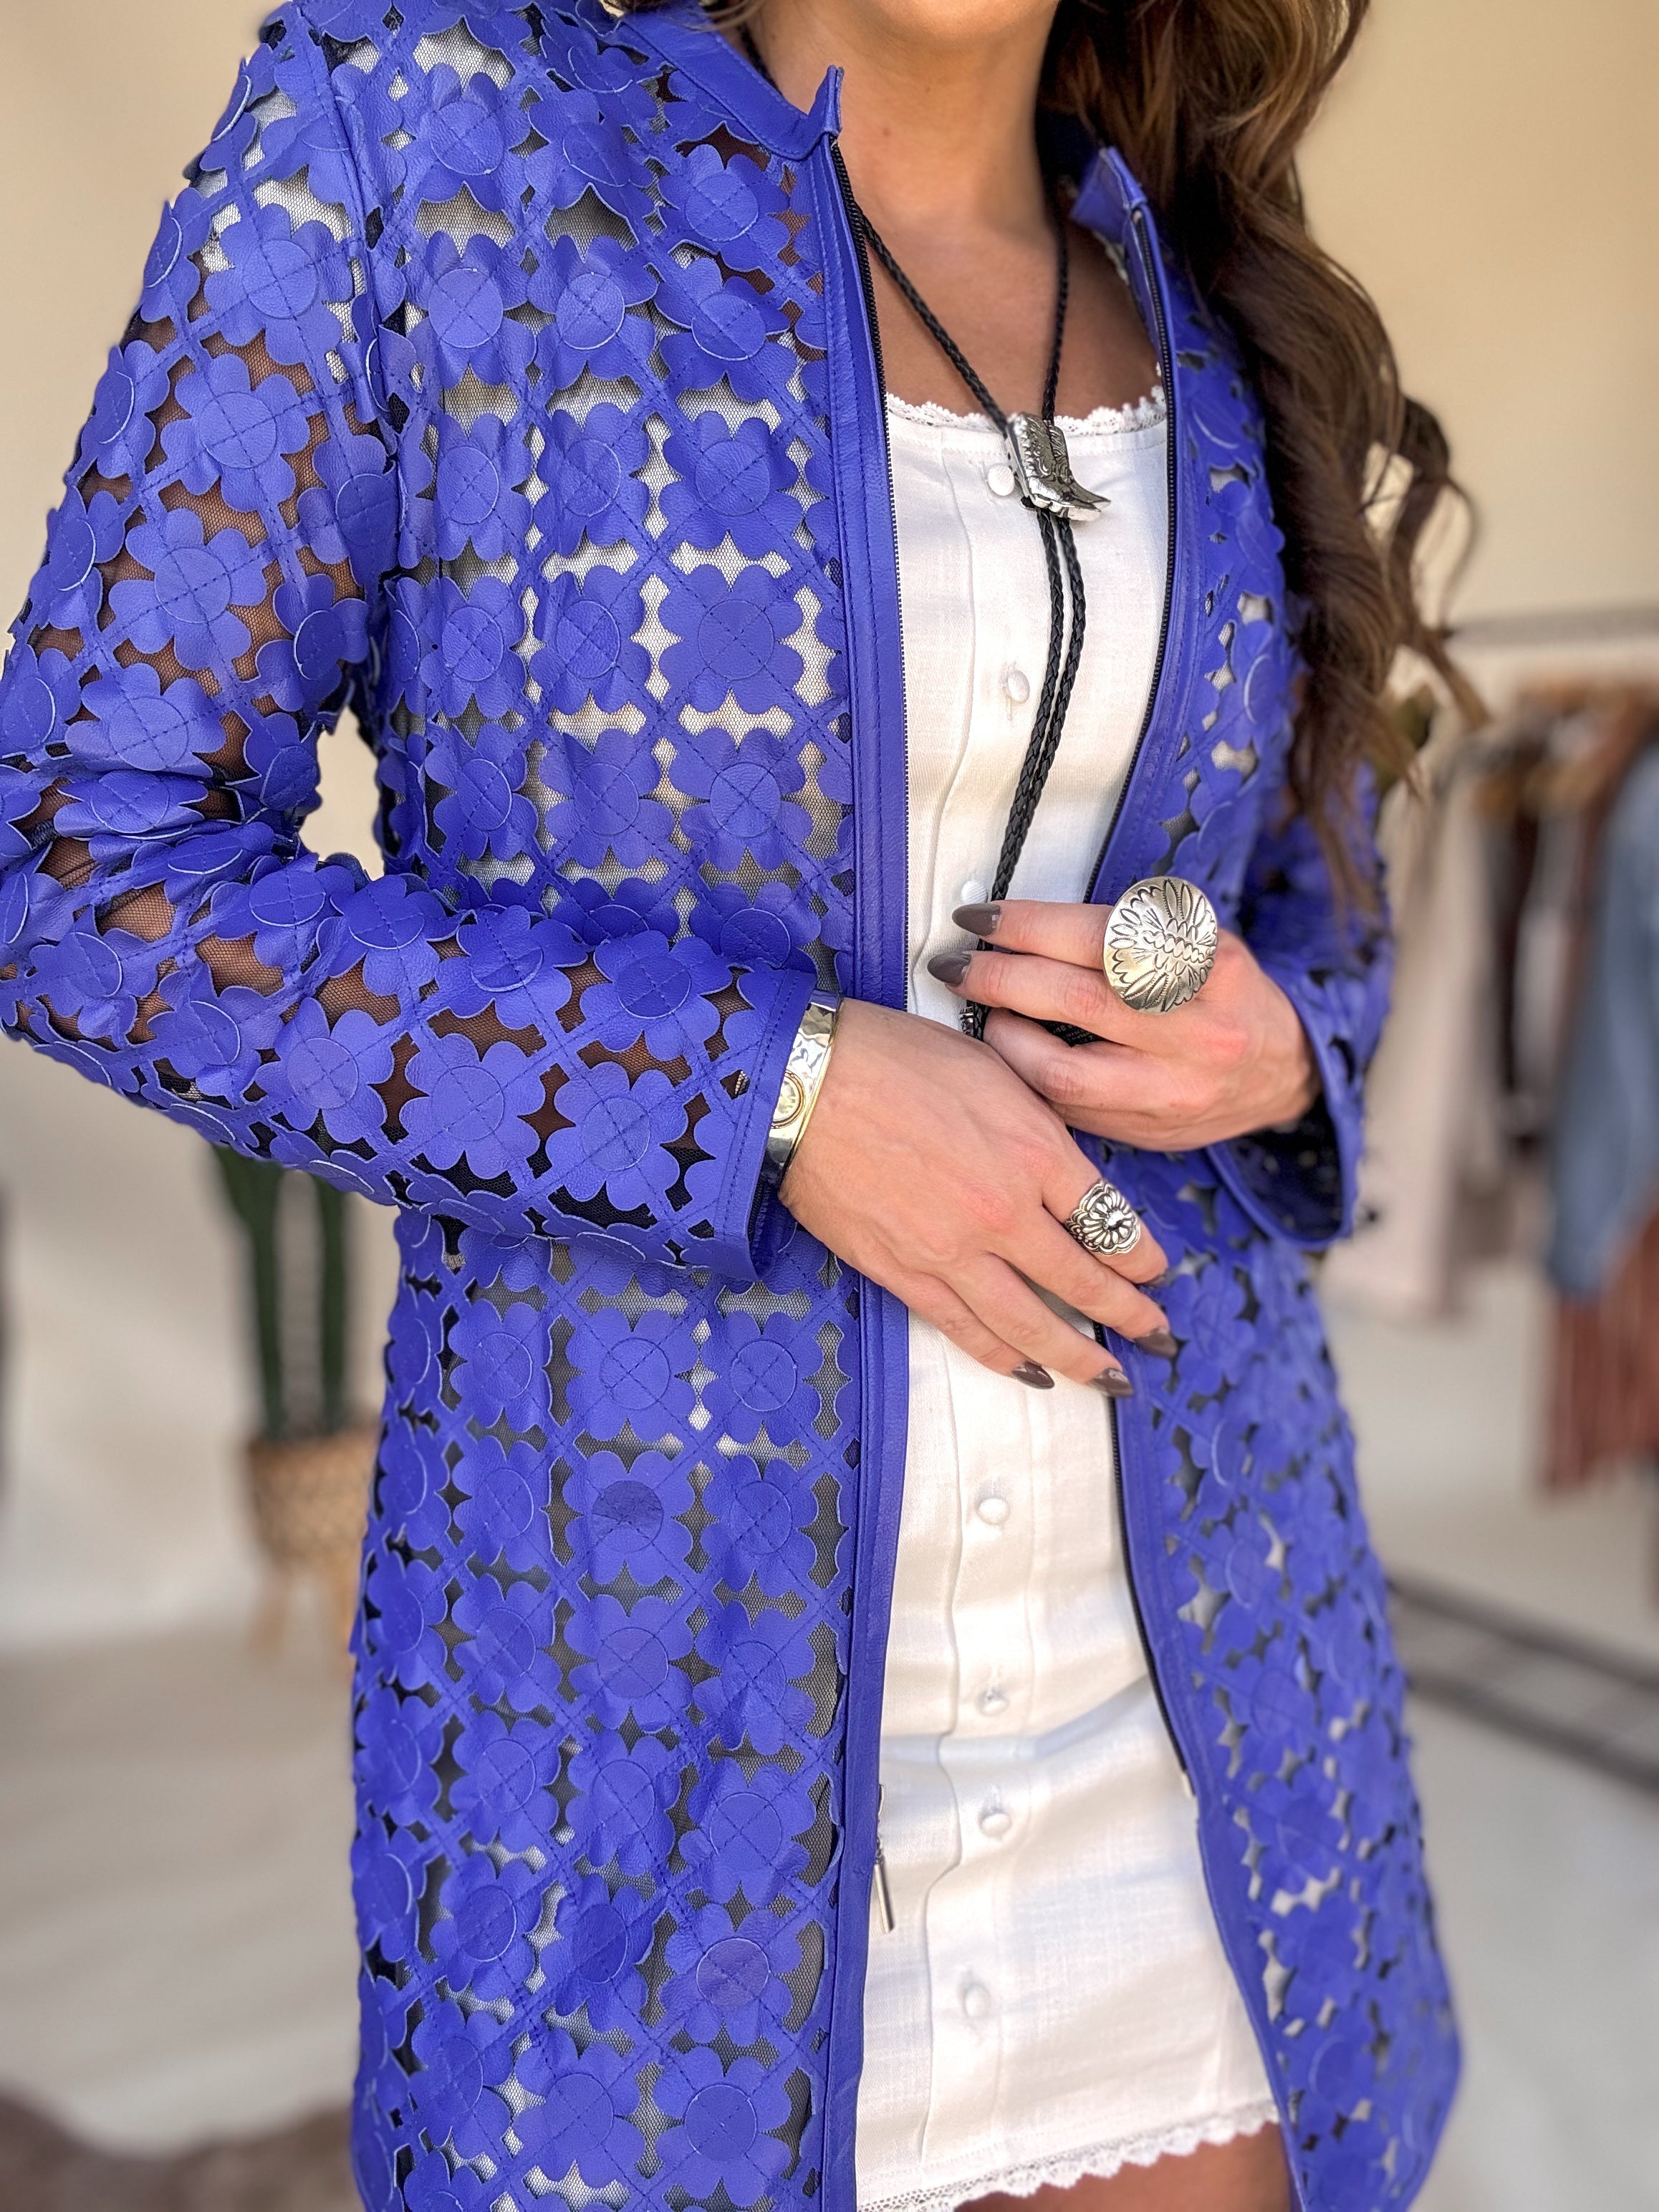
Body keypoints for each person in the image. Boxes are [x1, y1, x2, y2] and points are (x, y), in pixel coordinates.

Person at [0, 2, 1462, 2208]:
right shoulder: (429, 134)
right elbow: (75, 864)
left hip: (1196, 1763)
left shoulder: (1185, 258)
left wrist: (1274, 1043)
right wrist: (768, 1088)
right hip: (648, 1769)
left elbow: (1308, 912)